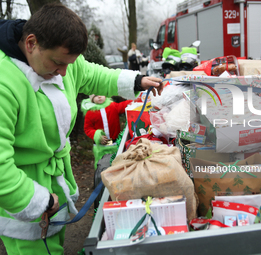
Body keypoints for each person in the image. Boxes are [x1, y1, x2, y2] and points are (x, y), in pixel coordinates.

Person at [0, 3, 163, 255]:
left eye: (69, 64)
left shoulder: (59, 60)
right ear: (31, 43)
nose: (64, 73)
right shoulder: (4, 83)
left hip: (55, 186)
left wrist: (137, 80)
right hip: (24, 198)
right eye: (57, 63)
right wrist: (38, 201)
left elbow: (90, 74)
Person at [82, 95, 132, 169]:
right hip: (100, 147)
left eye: (101, 94)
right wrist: (97, 135)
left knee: (117, 165)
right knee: (101, 166)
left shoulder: (112, 106)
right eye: (96, 96)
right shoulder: (90, 112)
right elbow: (88, 128)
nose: (99, 97)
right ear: (92, 99)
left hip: (115, 144)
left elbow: (124, 105)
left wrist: (139, 98)